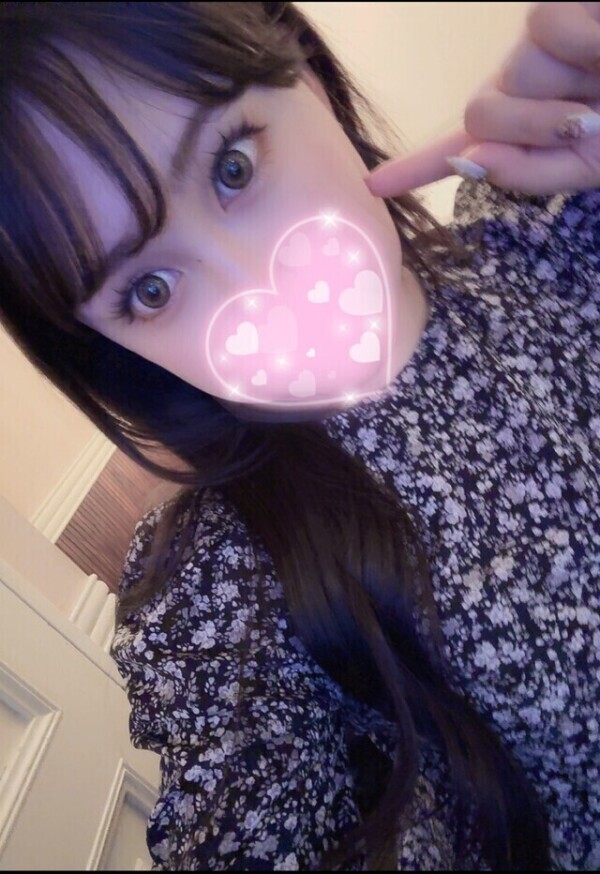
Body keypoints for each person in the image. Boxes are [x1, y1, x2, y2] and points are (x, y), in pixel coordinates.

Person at [0, 1, 597, 869]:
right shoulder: (224, 590)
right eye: (151, 290)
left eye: (233, 166)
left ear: (307, 72)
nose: (257, 283)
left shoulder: (555, 219)